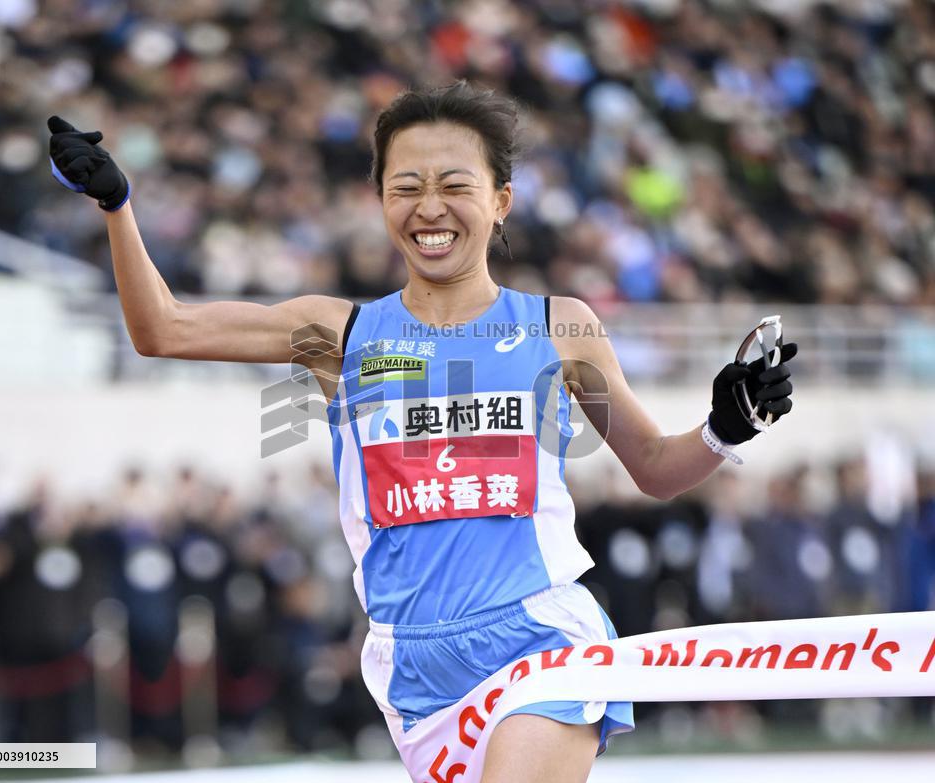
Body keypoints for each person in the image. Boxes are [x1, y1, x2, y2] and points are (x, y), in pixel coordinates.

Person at [46, 81, 796, 783]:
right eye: (405, 187)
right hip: (410, 662)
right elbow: (163, 329)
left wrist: (725, 428)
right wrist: (118, 207)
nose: (429, 207)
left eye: (455, 186)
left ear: (501, 201)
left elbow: (657, 468)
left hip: (543, 633)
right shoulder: (337, 333)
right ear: (379, 200)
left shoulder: (559, 325)